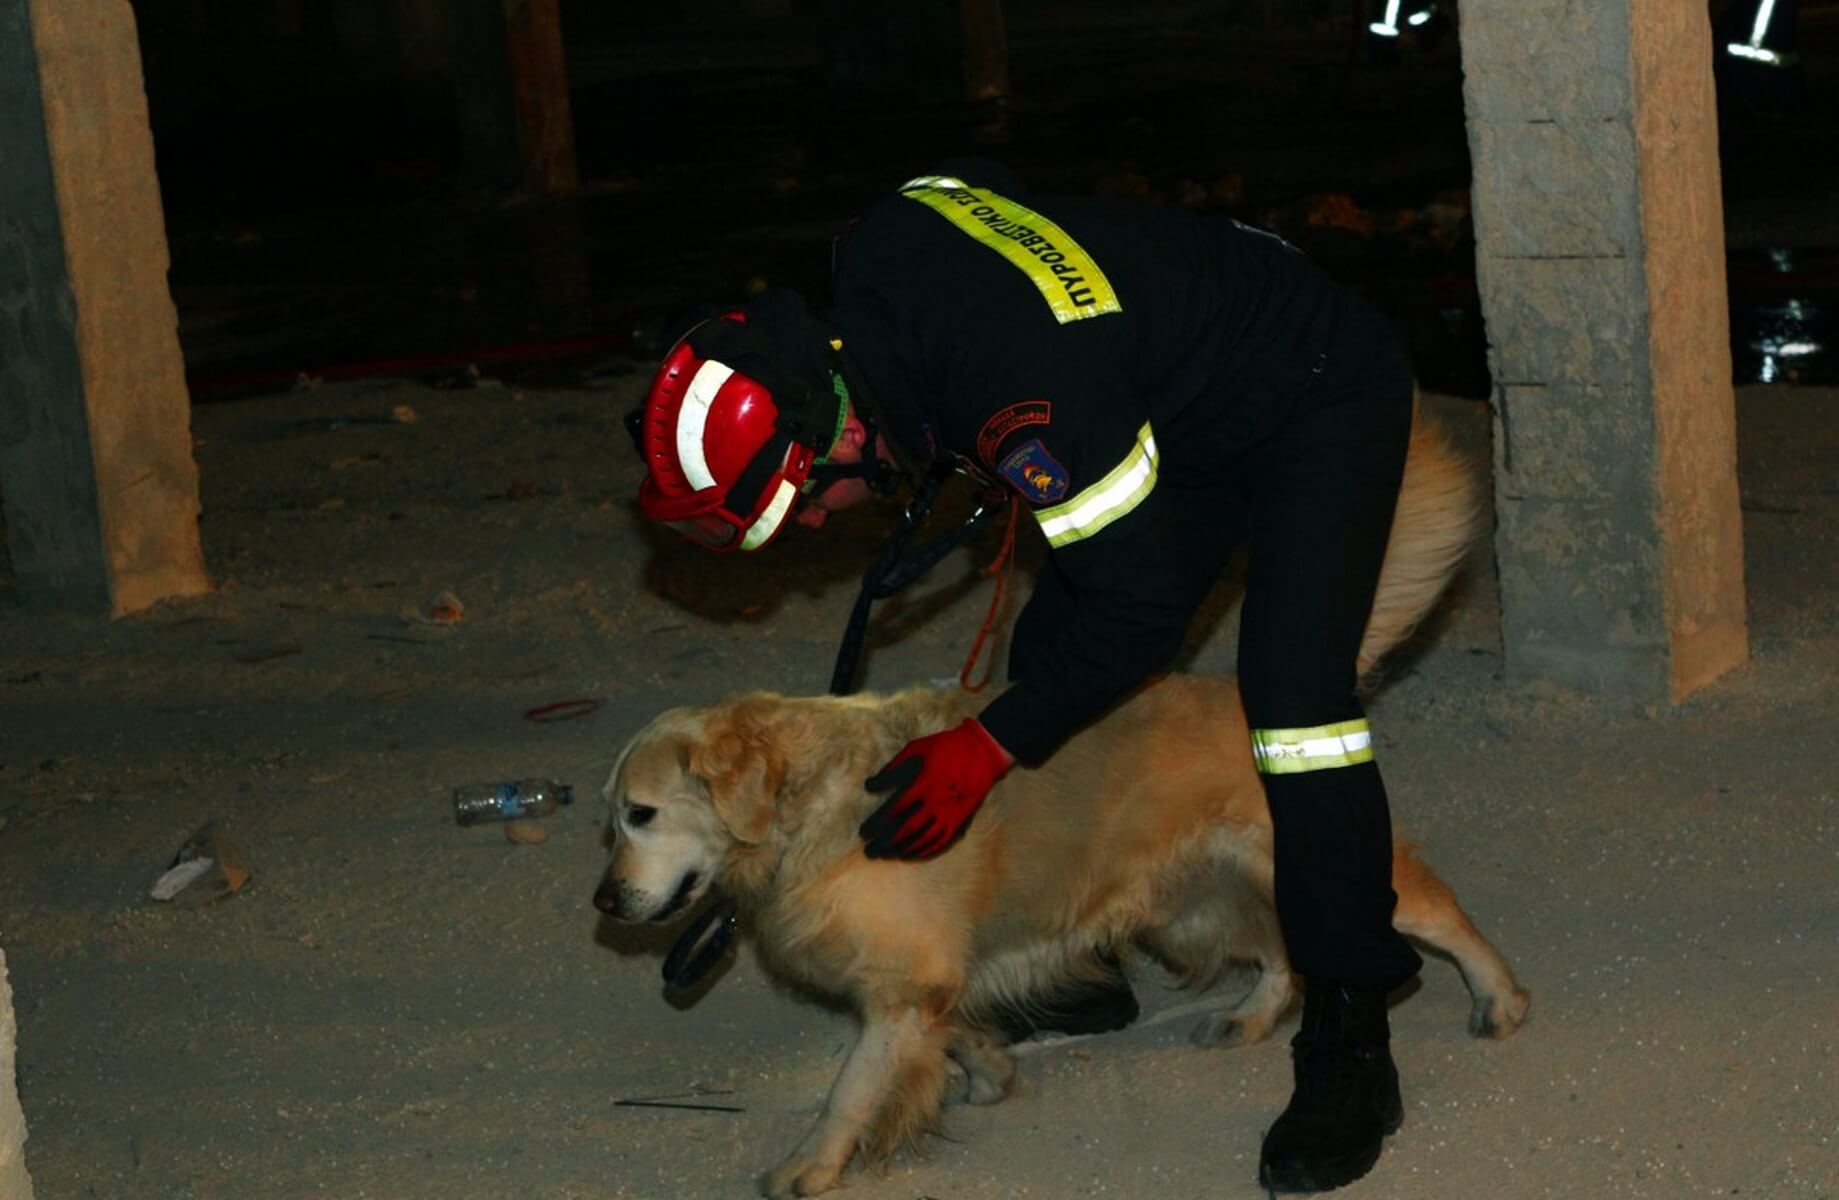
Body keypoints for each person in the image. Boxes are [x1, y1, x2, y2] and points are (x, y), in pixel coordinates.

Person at [632, 159, 1427, 1193]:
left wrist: (985, 745)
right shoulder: (878, 261)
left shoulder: (1020, 398)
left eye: (804, 507)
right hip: (1160, 387)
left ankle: (1350, 1036)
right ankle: (1083, 952)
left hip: (1314, 386)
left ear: (836, 431)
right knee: (1052, 661)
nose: (823, 526)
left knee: (1295, 713)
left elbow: (1139, 614)